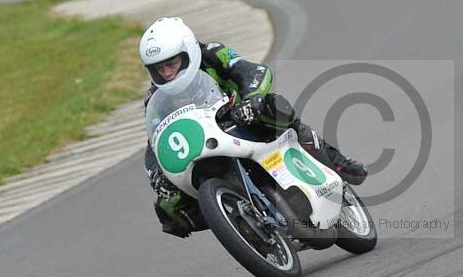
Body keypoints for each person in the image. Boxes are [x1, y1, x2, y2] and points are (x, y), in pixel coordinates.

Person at [140, 17, 368, 238]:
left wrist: (252, 99)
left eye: (172, 64)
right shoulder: (156, 97)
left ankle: (335, 160)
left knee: (276, 107)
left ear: (188, 52)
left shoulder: (213, 54)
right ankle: (234, 220)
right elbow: (155, 142)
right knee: (167, 209)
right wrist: (156, 176)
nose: (167, 73)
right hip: (205, 145)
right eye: (159, 69)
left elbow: (253, 71)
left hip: (242, 118)